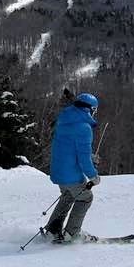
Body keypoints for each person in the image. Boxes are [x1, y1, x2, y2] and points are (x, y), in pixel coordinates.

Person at [43, 92, 101, 241]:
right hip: (72, 175)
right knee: (85, 198)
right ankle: (72, 233)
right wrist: (93, 175)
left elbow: (69, 149)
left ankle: (52, 230)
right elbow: (83, 158)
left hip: (58, 172)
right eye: (94, 109)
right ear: (90, 109)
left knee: (67, 196)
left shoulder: (63, 122)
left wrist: (90, 156)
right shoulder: (84, 128)